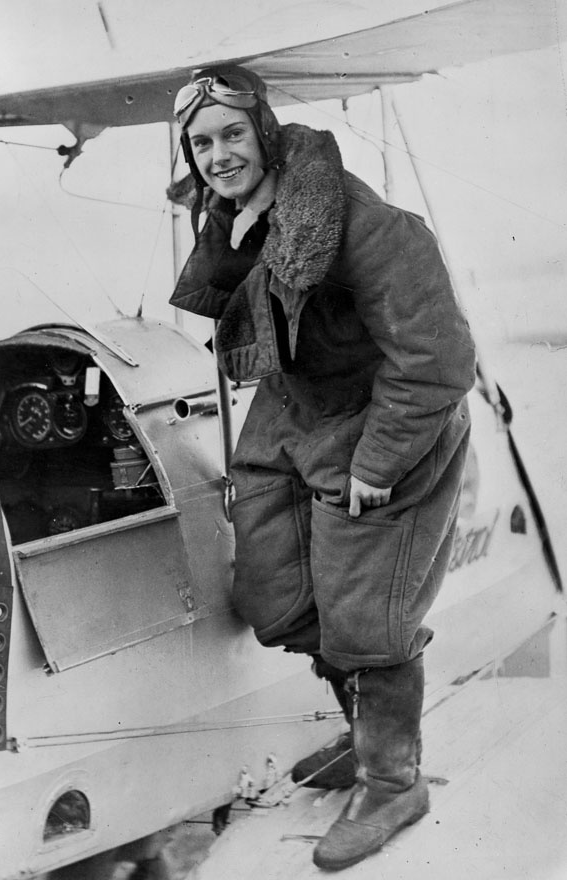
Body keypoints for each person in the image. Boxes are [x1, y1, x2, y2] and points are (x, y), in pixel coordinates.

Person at [168, 64, 476, 871]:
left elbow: (439, 359)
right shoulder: (236, 217)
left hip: (387, 416)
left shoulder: (368, 226)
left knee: (366, 614)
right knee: (273, 596)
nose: (218, 156)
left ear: (266, 132)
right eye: (202, 143)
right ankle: (366, 726)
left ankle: (393, 779)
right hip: (295, 410)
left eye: (233, 133)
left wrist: (380, 462)